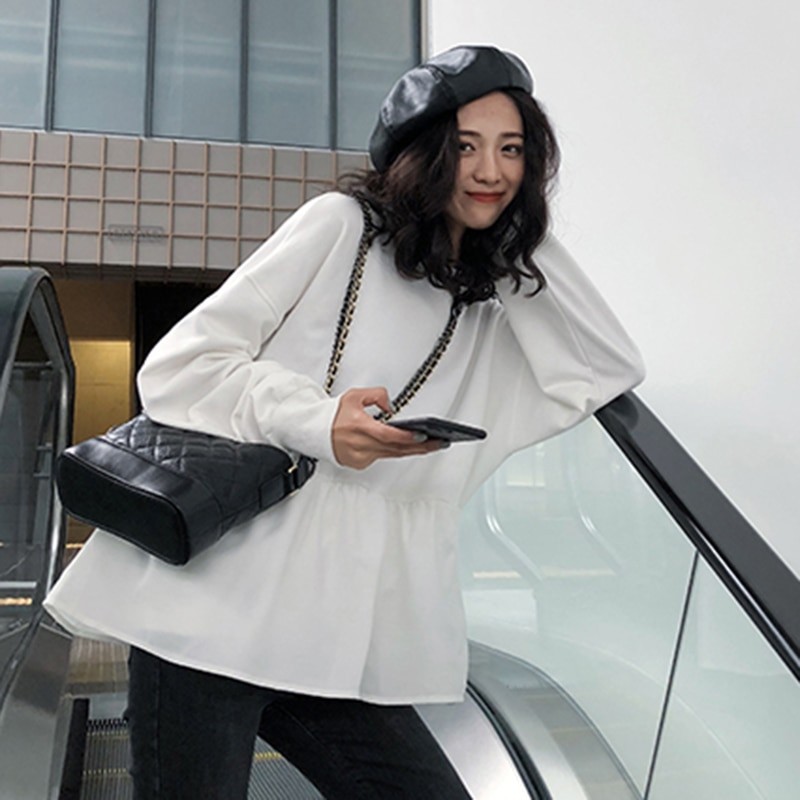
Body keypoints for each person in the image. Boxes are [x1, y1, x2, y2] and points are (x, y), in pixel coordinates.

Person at [45, 45, 645, 799]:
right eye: (465, 147)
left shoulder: (486, 310)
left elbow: (604, 366)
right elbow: (181, 367)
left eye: (512, 150)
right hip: (209, 612)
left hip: (335, 640)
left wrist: (523, 234)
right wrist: (319, 421)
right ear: (423, 151)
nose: (490, 170)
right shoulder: (341, 230)